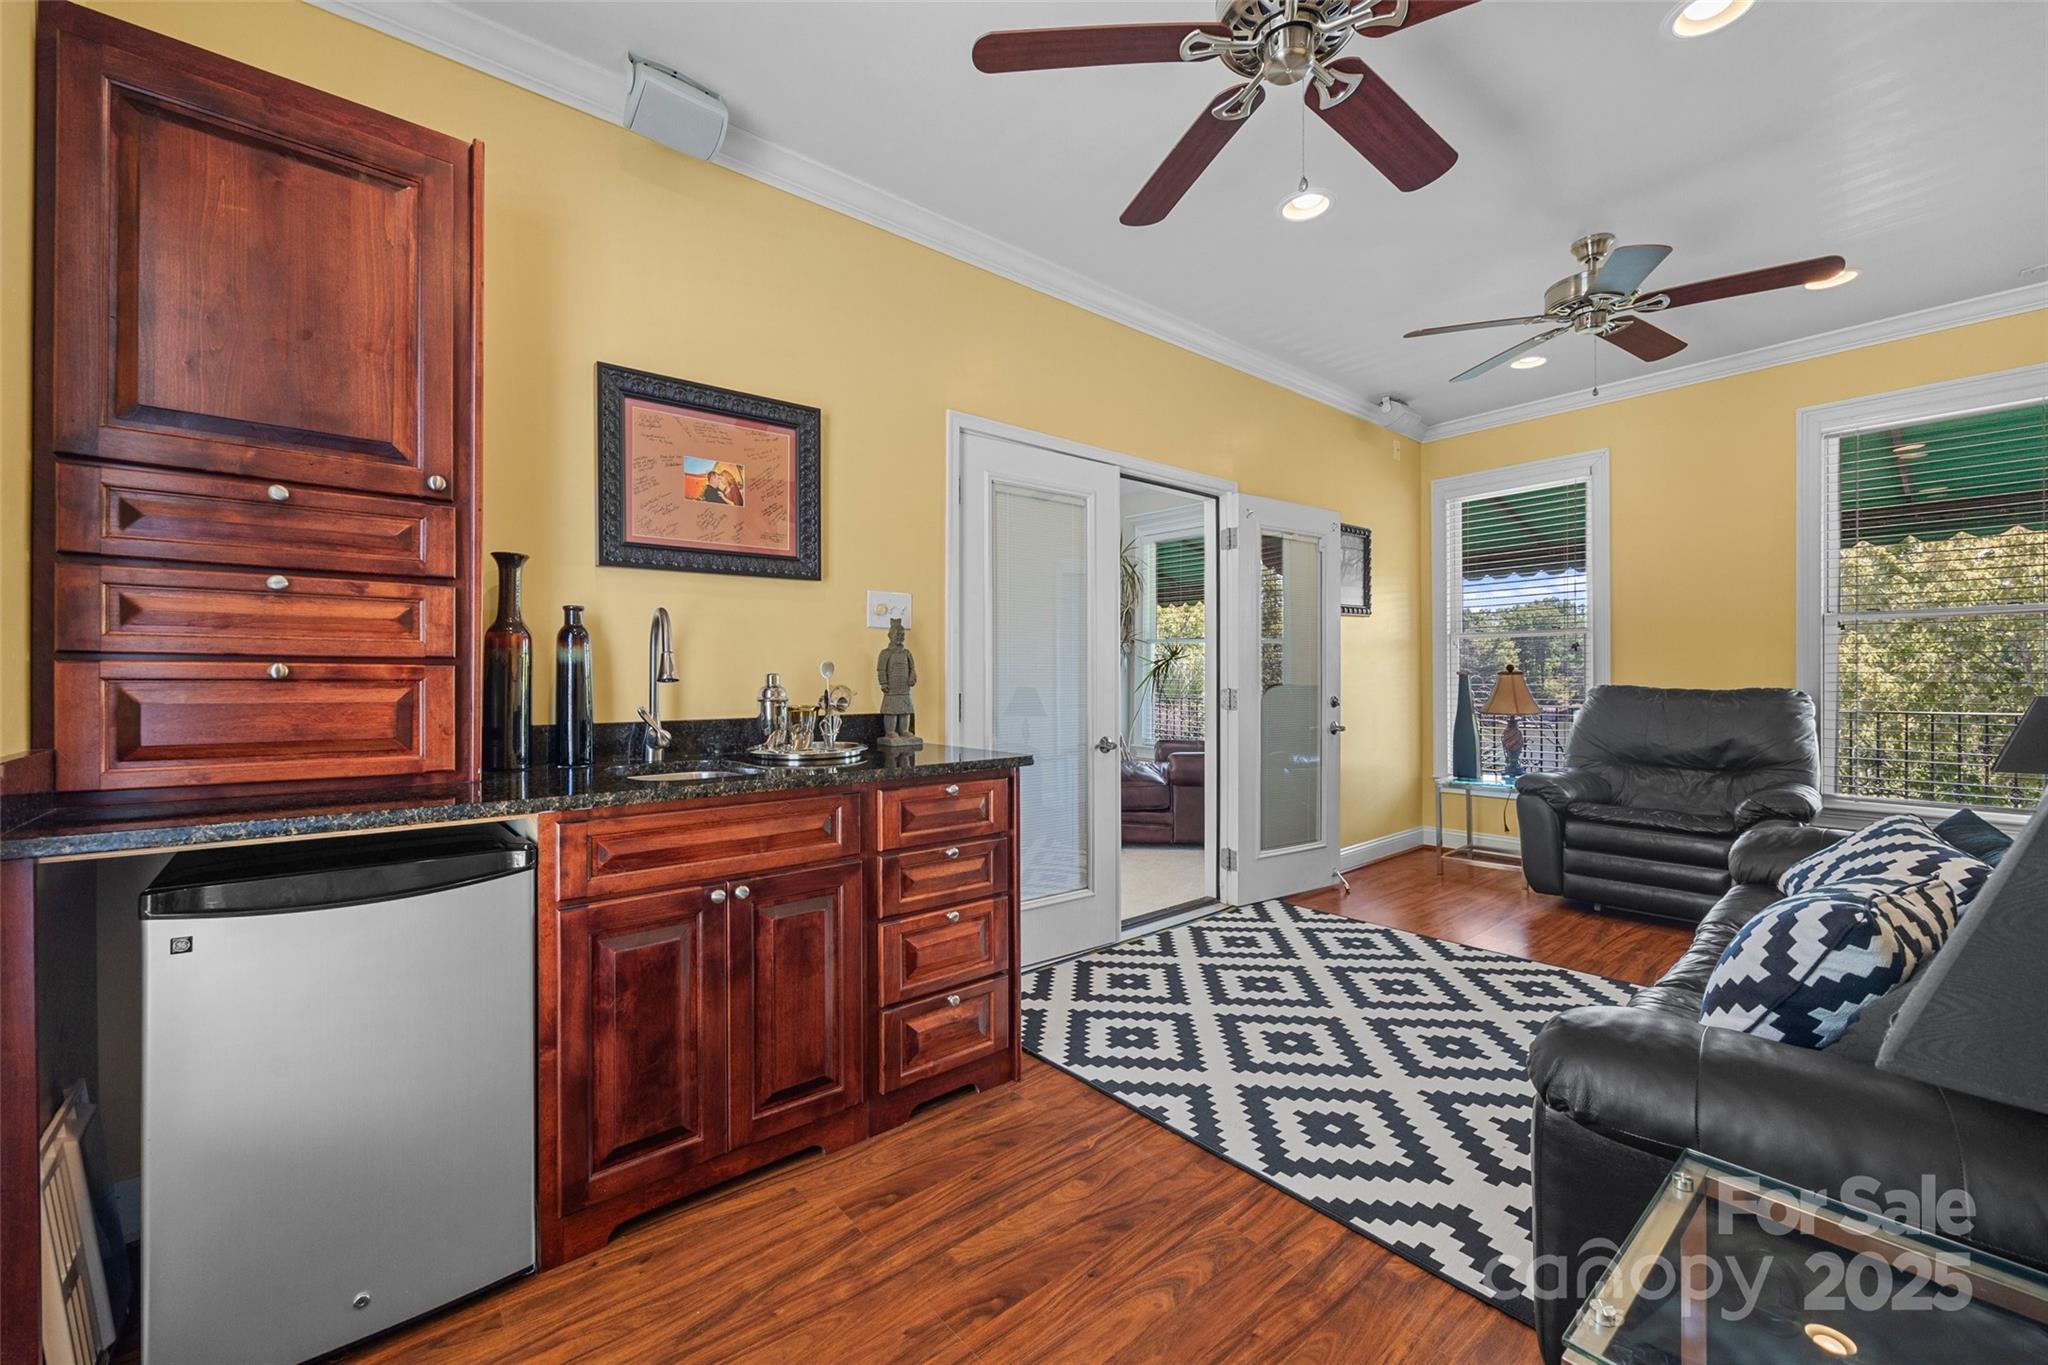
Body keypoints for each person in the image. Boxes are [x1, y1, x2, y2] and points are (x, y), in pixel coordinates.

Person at [876, 619, 920, 749]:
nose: (900, 637)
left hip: (904, 688)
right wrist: (883, 683)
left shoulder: (907, 653)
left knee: (905, 710)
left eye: (902, 635)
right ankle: (890, 731)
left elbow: (913, 668)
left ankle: (904, 731)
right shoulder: (885, 653)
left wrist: (912, 677)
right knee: (891, 710)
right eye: (897, 635)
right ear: (890, 636)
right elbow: (881, 669)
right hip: (892, 688)